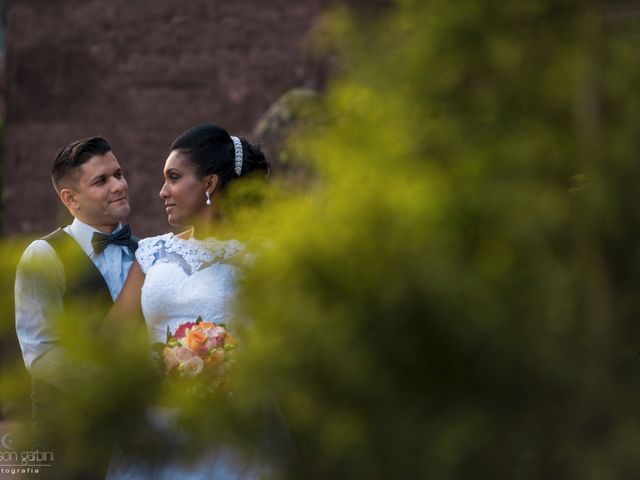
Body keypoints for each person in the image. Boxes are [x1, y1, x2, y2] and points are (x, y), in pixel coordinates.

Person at [106, 124, 273, 479]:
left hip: (233, 422)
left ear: (209, 184)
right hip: (157, 421)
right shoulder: (151, 253)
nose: (162, 191)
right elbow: (113, 336)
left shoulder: (263, 257)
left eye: (174, 177)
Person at [14, 136, 138, 478]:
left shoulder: (146, 253)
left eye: (118, 173)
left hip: (135, 435)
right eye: (101, 180)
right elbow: (40, 352)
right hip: (67, 435)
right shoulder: (44, 255)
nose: (118, 185)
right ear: (70, 198)